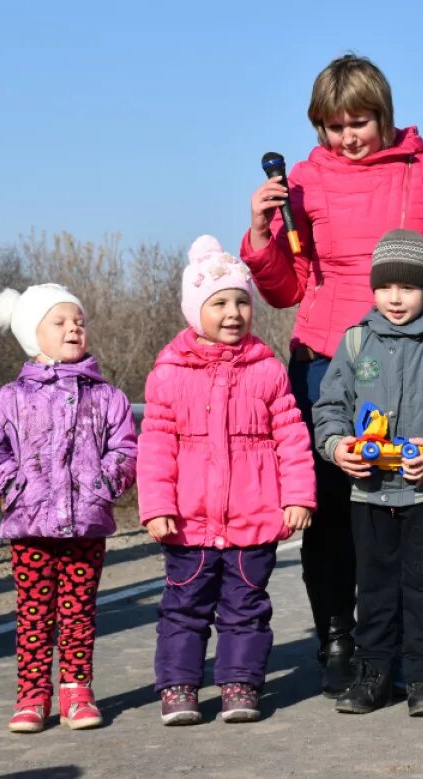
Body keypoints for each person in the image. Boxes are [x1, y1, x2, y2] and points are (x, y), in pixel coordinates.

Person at [241, 53, 423, 696]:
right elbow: (288, 287)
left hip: (417, 358)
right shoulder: (302, 179)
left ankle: (407, 649)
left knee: (404, 513)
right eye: (332, 127)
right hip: (329, 359)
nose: (346, 138)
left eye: (358, 122)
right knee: (328, 512)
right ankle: (339, 637)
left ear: (384, 114)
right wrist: (261, 233)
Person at [137, 236, 316, 725]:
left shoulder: (267, 370)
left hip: (252, 517)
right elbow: (155, 446)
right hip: (188, 521)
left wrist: (297, 496)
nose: (234, 312)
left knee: (247, 608)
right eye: (219, 303)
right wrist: (156, 505)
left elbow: (291, 437)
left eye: (242, 302)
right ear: (196, 311)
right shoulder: (169, 373)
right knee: (183, 608)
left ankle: (240, 682)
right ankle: (179, 686)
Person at [312, 229, 423, 716]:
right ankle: (373, 675)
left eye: (408, 287)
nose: (395, 297)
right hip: (369, 494)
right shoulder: (355, 341)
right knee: (372, 587)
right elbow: (329, 405)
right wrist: (336, 446)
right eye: (386, 286)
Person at [0, 284, 137, 733]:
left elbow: (125, 448)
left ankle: (77, 691)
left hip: (87, 524)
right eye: (59, 322)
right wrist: (13, 483)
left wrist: (103, 483)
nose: (73, 328)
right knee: (34, 613)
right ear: (31, 335)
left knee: (79, 612)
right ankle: (32, 696)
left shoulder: (107, 397)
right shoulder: (8, 399)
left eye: (78, 321)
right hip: (29, 525)